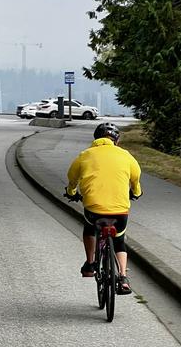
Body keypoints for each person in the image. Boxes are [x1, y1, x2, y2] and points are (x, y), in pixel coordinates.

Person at [64, 122, 142, 294]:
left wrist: (71, 192)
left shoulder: (85, 155)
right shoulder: (126, 155)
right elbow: (136, 179)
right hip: (120, 212)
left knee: (90, 229)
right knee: (120, 240)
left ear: (96, 139)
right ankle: (122, 277)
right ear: (117, 140)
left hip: (94, 210)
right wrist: (136, 192)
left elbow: (72, 178)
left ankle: (90, 264)